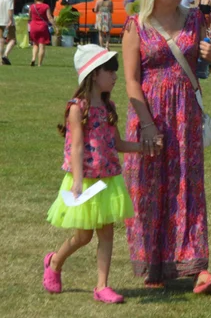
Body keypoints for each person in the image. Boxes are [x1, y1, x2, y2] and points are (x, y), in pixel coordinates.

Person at [122, 0, 211, 292]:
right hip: (148, 113)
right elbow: (131, 81)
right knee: (149, 189)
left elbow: (209, 62)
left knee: (188, 186)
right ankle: (154, 266)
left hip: (185, 114)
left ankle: (198, 267)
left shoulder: (195, 19)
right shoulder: (136, 25)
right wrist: (148, 125)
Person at [42, 45, 141, 303]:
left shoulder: (109, 107)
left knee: (107, 233)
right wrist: (76, 181)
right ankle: (54, 262)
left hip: (107, 179)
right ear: (94, 74)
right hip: (84, 180)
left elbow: (118, 144)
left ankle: (102, 286)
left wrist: (144, 148)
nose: (115, 76)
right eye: (110, 71)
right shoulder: (78, 108)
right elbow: (75, 147)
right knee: (83, 236)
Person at [28, 0, 55, 67]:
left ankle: (33, 58)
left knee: (35, 44)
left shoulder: (32, 6)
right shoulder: (46, 6)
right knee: (42, 45)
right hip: (42, 27)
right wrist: (55, 25)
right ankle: (39, 63)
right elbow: (49, 17)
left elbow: (29, 17)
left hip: (33, 26)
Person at [0, 0, 15, 65]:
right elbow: (10, 9)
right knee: (12, 39)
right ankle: (5, 55)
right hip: (7, 20)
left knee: (1, 40)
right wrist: (10, 20)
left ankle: (0, 59)